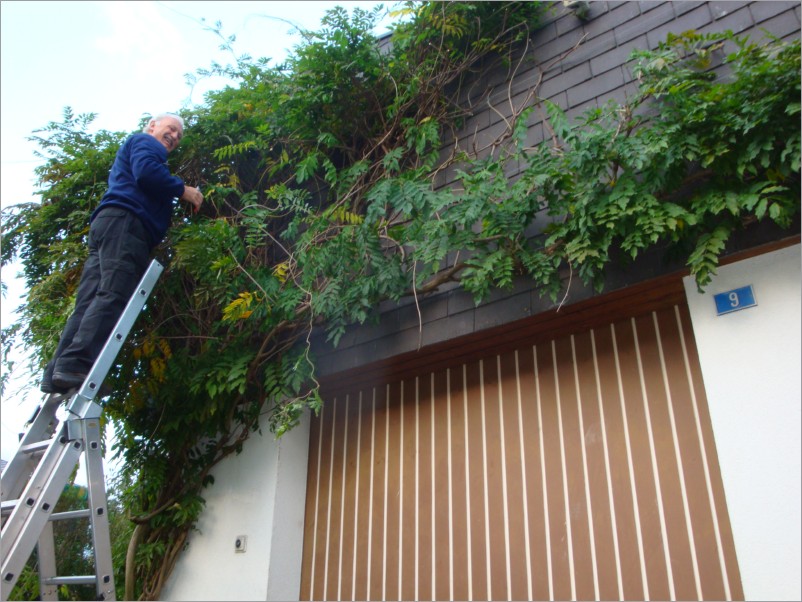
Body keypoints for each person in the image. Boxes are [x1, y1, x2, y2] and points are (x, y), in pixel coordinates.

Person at [40, 113, 203, 394]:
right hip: (127, 224)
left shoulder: (139, 147)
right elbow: (147, 173)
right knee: (114, 294)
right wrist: (183, 190)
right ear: (153, 126)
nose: (175, 136)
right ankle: (77, 362)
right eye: (171, 129)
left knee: (90, 299)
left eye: (179, 135)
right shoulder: (146, 143)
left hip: (110, 223)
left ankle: (59, 370)